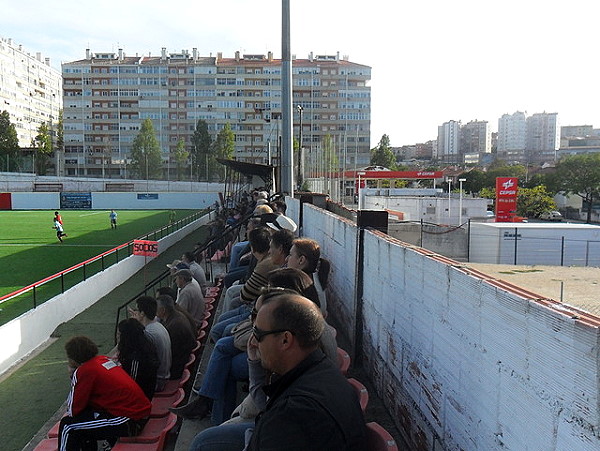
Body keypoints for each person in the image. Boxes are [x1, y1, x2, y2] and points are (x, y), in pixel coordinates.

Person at [247, 293, 367, 450]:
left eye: (258, 334)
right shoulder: (322, 370)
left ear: (285, 340)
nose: (254, 342)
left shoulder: (293, 415)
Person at [58, 335, 151, 451]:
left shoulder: (84, 371)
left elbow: (72, 410)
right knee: (83, 422)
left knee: (68, 425)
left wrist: (73, 375)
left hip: (130, 420)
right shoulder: (103, 360)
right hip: (140, 414)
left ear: (73, 359)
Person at [129, 296, 172, 392]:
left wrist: (133, 326)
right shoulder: (159, 326)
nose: (135, 313)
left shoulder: (148, 333)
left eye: (137, 310)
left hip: (157, 382)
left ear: (142, 314)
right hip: (163, 376)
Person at [115, 318, 160, 400]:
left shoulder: (136, 359)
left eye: (119, 334)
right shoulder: (146, 347)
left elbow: (131, 386)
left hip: (138, 402)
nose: (117, 336)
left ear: (126, 337)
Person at [156, 294, 197, 380]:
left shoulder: (174, 325)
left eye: (156, 307)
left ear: (163, 310)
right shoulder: (176, 316)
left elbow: (167, 354)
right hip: (181, 361)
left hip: (176, 369)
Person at [286, 237, 331, 315]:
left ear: (301, 260)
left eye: (290, 255)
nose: (286, 259)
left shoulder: (299, 288)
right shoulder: (314, 280)